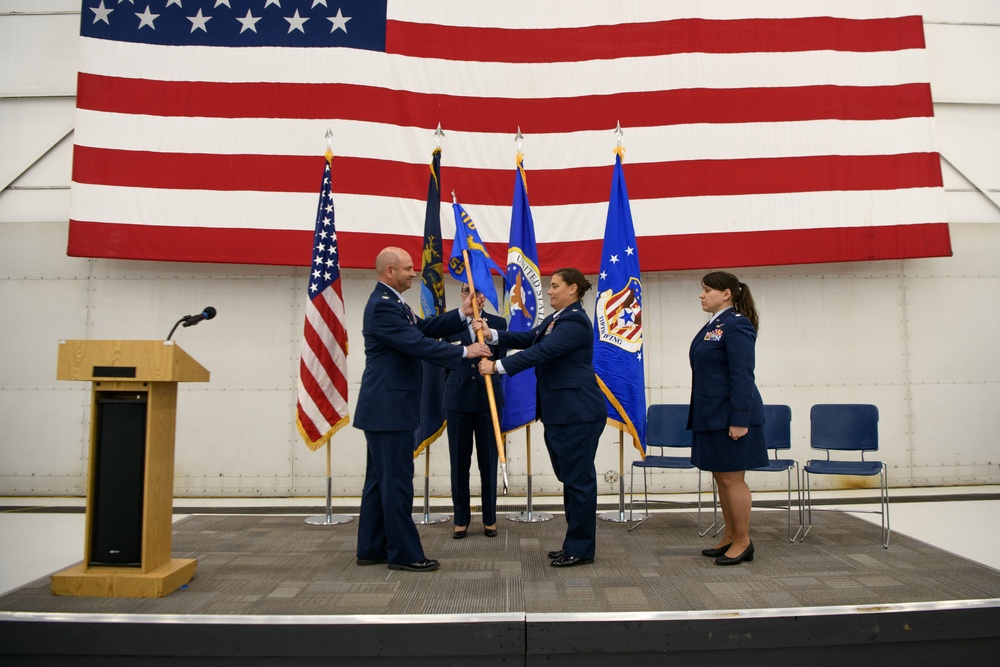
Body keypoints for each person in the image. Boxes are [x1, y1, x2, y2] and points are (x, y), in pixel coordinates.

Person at [354, 247, 491, 572]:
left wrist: (461, 312)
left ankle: (372, 547)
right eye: (407, 268)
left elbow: (424, 330)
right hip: (389, 408)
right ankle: (404, 553)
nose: (414, 273)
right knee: (397, 482)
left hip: (386, 407)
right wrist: (464, 351)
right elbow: (417, 344)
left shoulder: (393, 303)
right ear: (390, 271)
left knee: (379, 481)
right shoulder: (383, 307)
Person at [478, 268, 605, 567]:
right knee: (571, 480)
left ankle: (581, 548)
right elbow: (529, 337)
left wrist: (497, 367)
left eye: (555, 286)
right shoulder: (556, 319)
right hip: (561, 413)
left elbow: (543, 351)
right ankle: (573, 543)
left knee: (579, 482)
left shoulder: (574, 321)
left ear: (573, 289)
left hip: (578, 413)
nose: (549, 291)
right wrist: (492, 333)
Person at [688, 271, 768, 566]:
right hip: (712, 414)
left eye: (707, 290)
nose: (702, 295)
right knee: (722, 477)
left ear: (726, 294)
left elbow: (742, 375)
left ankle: (744, 541)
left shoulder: (737, 325)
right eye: (703, 290)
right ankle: (731, 536)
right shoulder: (715, 324)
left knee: (733, 479)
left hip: (730, 416)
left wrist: (739, 419)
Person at [443, 284, 507, 539]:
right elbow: (446, 361)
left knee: (488, 460)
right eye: (468, 292)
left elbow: (498, 358)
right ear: (462, 296)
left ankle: (490, 518)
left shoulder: (498, 322)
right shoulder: (452, 322)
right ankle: (461, 519)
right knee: (459, 461)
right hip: (458, 399)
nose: (475, 297)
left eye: (480, 293)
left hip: (488, 399)